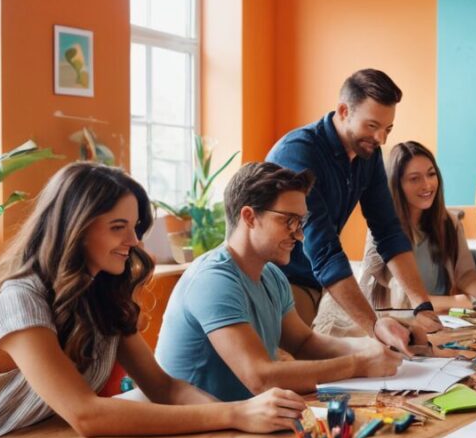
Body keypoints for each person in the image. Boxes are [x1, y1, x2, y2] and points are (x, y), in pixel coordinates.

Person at [0, 163, 305, 438]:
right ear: (76, 230)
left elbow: (165, 387)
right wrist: (235, 414)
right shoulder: (18, 301)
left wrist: (241, 421)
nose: (133, 241)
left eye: (135, 226)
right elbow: (87, 415)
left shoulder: (101, 294)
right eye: (118, 227)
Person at [157, 162, 404, 400]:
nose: (299, 234)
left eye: (301, 222)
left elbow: (304, 343)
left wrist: (373, 345)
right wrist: (359, 364)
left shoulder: (271, 275)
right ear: (249, 217)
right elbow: (260, 377)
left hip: (238, 423)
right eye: (288, 221)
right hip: (194, 435)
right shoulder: (213, 280)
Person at [267, 69, 442, 350]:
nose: (381, 139)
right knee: (297, 373)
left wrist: (422, 306)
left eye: (388, 129)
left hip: (316, 282)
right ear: (344, 110)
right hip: (279, 281)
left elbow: (388, 230)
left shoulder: (367, 155)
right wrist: (374, 326)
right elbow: (323, 249)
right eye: (372, 126)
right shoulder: (298, 153)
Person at [359, 141, 476, 312]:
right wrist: (455, 301)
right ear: (397, 184)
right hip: (400, 324)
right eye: (414, 179)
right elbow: (404, 300)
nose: (427, 185)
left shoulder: (449, 222)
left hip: (444, 321)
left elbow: (466, 275)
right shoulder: (383, 230)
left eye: (431, 174)